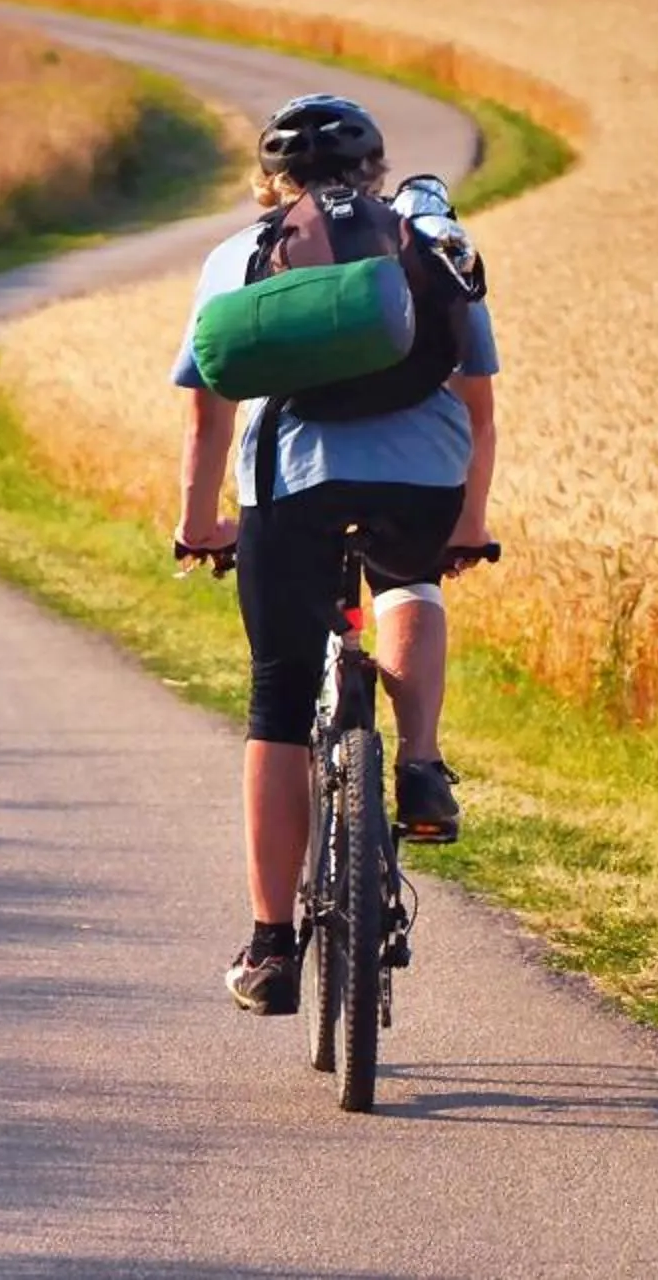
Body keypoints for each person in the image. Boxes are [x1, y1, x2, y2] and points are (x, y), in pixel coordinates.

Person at [171, 93, 498, 1016]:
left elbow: (206, 411)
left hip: (291, 483)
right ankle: (421, 763)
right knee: (410, 579)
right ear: (375, 170)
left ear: (271, 181)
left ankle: (272, 947)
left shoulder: (238, 256)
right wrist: (468, 522)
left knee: (279, 698)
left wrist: (200, 525)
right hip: (422, 479)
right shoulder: (429, 240)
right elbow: (478, 406)